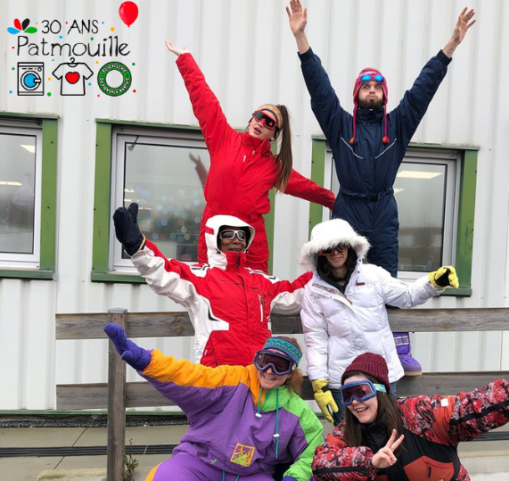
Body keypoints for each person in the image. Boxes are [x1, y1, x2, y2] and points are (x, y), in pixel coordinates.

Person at [286, 0, 476, 374]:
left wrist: (451, 45)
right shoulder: (341, 126)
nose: (372, 89)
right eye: (366, 85)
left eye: (377, 86)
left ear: (384, 94)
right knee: (341, 274)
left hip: (383, 208)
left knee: (386, 277)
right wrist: (301, 39)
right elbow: (319, 90)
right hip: (349, 209)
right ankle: (341, 351)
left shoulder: (398, 126)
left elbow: (422, 90)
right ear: (356, 93)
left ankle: (399, 348)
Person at [165, 40, 335, 273]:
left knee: (252, 290)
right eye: (259, 116)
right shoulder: (223, 138)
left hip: (251, 243)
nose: (262, 123)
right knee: (210, 287)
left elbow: (307, 188)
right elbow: (205, 101)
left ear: (274, 135)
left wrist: (336, 202)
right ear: (251, 119)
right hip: (214, 233)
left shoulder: (273, 167)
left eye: (270, 123)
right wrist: (186, 60)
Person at [311, 344, 509, 481]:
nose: (355, 402)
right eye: (347, 395)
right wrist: (369, 462)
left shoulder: (419, 414)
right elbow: (321, 465)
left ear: (380, 391)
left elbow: (475, 407)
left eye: (361, 391)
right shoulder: (346, 432)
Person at [103, 324, 323, 481]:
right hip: (201, 462)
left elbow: (313, 451)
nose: (269, 371)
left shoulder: (298, 411)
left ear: (291, 372)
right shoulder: (233, 380)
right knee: (164, 476)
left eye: (280, 366)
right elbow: (190, 376)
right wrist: (147, 361)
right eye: (265, 361)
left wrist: (295, 477)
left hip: (252, 474)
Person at [298, 219, 458, 425]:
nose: (335, 252)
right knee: (349, 436)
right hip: (342, 377)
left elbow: (407, 296)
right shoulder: (313, 291)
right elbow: (315, 338)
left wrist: (434, 282)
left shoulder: (373, 275)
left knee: (387, 430)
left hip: (382, 373)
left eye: (341, 245)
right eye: (327, 248)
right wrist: (319, 381)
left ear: (351, 246)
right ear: (318, 253)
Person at [113, 203, 311, 366]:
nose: (236, 240)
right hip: (215, 376)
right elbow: (162, 272)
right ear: (214, 238)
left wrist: (323, 269)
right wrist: (137, 246)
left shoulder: (261, 281)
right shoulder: (200, 278)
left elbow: (296, 294)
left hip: (258, 374)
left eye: (242, 235)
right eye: (228, 234)